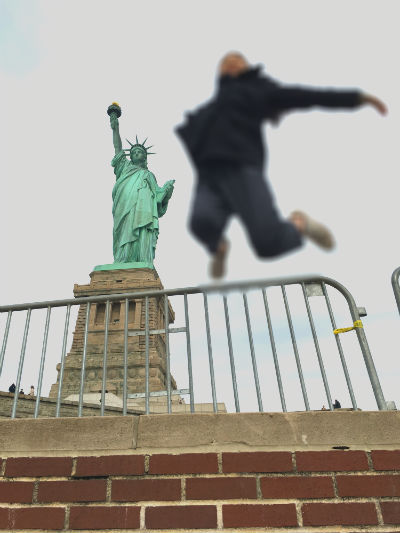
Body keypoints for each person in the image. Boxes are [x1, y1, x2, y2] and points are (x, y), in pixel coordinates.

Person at [176, 52, 387, 278]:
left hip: (241, 166)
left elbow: (305, 96)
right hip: (209, 174)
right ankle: (219, 248)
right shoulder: (213, 106)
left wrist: (356, 98)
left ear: (246, 69)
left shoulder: (258, 91)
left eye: (236, 62)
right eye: (225, 63)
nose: (230, 65)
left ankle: (300, 224)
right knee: (201, 222)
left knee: (267, 245)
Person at [109, 106, 175, 265]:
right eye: (134, 152)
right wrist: (115, 127)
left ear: (145, 157)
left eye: (140, 152)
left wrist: (167, 192)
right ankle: (123, 260)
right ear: (130, 157)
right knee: (125, 231)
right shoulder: (124, 168)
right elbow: (118, 148)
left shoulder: (149, 176)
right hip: (124, 206)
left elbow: (158, 198)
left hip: (144, 210)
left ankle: (142, 259)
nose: (137, 153)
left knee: (144, 229)